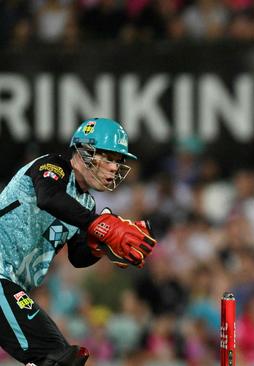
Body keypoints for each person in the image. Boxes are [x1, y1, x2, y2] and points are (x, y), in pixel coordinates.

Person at [0, 118, 157, 365]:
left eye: (118, 162)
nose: (115, 168)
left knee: (61, 356)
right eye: (108, 158)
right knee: (57, 357)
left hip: (11, 284)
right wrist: (102, 226)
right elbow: (49, 198)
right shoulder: (53, 166)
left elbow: (78, 257)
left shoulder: (85, 204)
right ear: (84, 151)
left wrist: (100, 246)